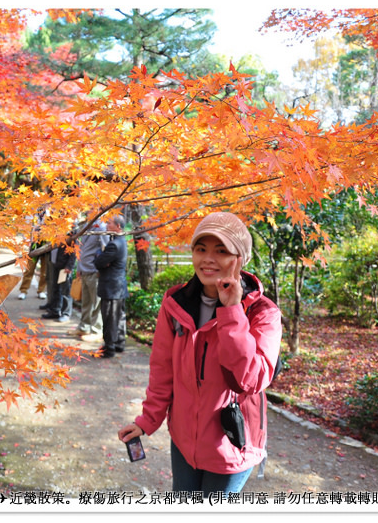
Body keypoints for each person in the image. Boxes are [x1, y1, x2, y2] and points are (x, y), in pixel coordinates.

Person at [117, 211, 282, 495]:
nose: (208, 258)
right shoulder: (175, 304)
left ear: (240, 259)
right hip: (183, 440)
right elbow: (162, 370)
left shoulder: (262, 313)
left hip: (230, 445)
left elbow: (251, 379)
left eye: (221, 250)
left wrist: (231, 310)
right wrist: (148, 420)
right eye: (201, 249)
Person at [93, 215, 128, 358]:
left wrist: (99, 254)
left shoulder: (114, 244)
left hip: (111, 287)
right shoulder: (121, 241)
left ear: (118, 226)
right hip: (118, 286)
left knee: (110, 318)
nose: (107, 225)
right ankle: (119, 343)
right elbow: (103, 261)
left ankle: (109, 348)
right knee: (118, 317)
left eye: (110, 223)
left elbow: (98, 262)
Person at [69, 219, 107, 341]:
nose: (89, 208)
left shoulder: (102, 227)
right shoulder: (86, 226)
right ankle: (84, 327)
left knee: (96, 303)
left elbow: (105, 248)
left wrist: (99, 269)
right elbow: (80, 248)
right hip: (84, 270)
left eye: (92, 206)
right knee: (86, 302)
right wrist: (79, 268)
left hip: (94, 271)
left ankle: (96, 330)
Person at [41, 241, 76, 322]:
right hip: (55, 263)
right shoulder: (56, 230)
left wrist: (69, 266)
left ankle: (66, 313)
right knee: (55, 288)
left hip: (64, 266)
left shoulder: (71, 231)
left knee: (66, 291)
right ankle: (55, 310)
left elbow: (75, 251)